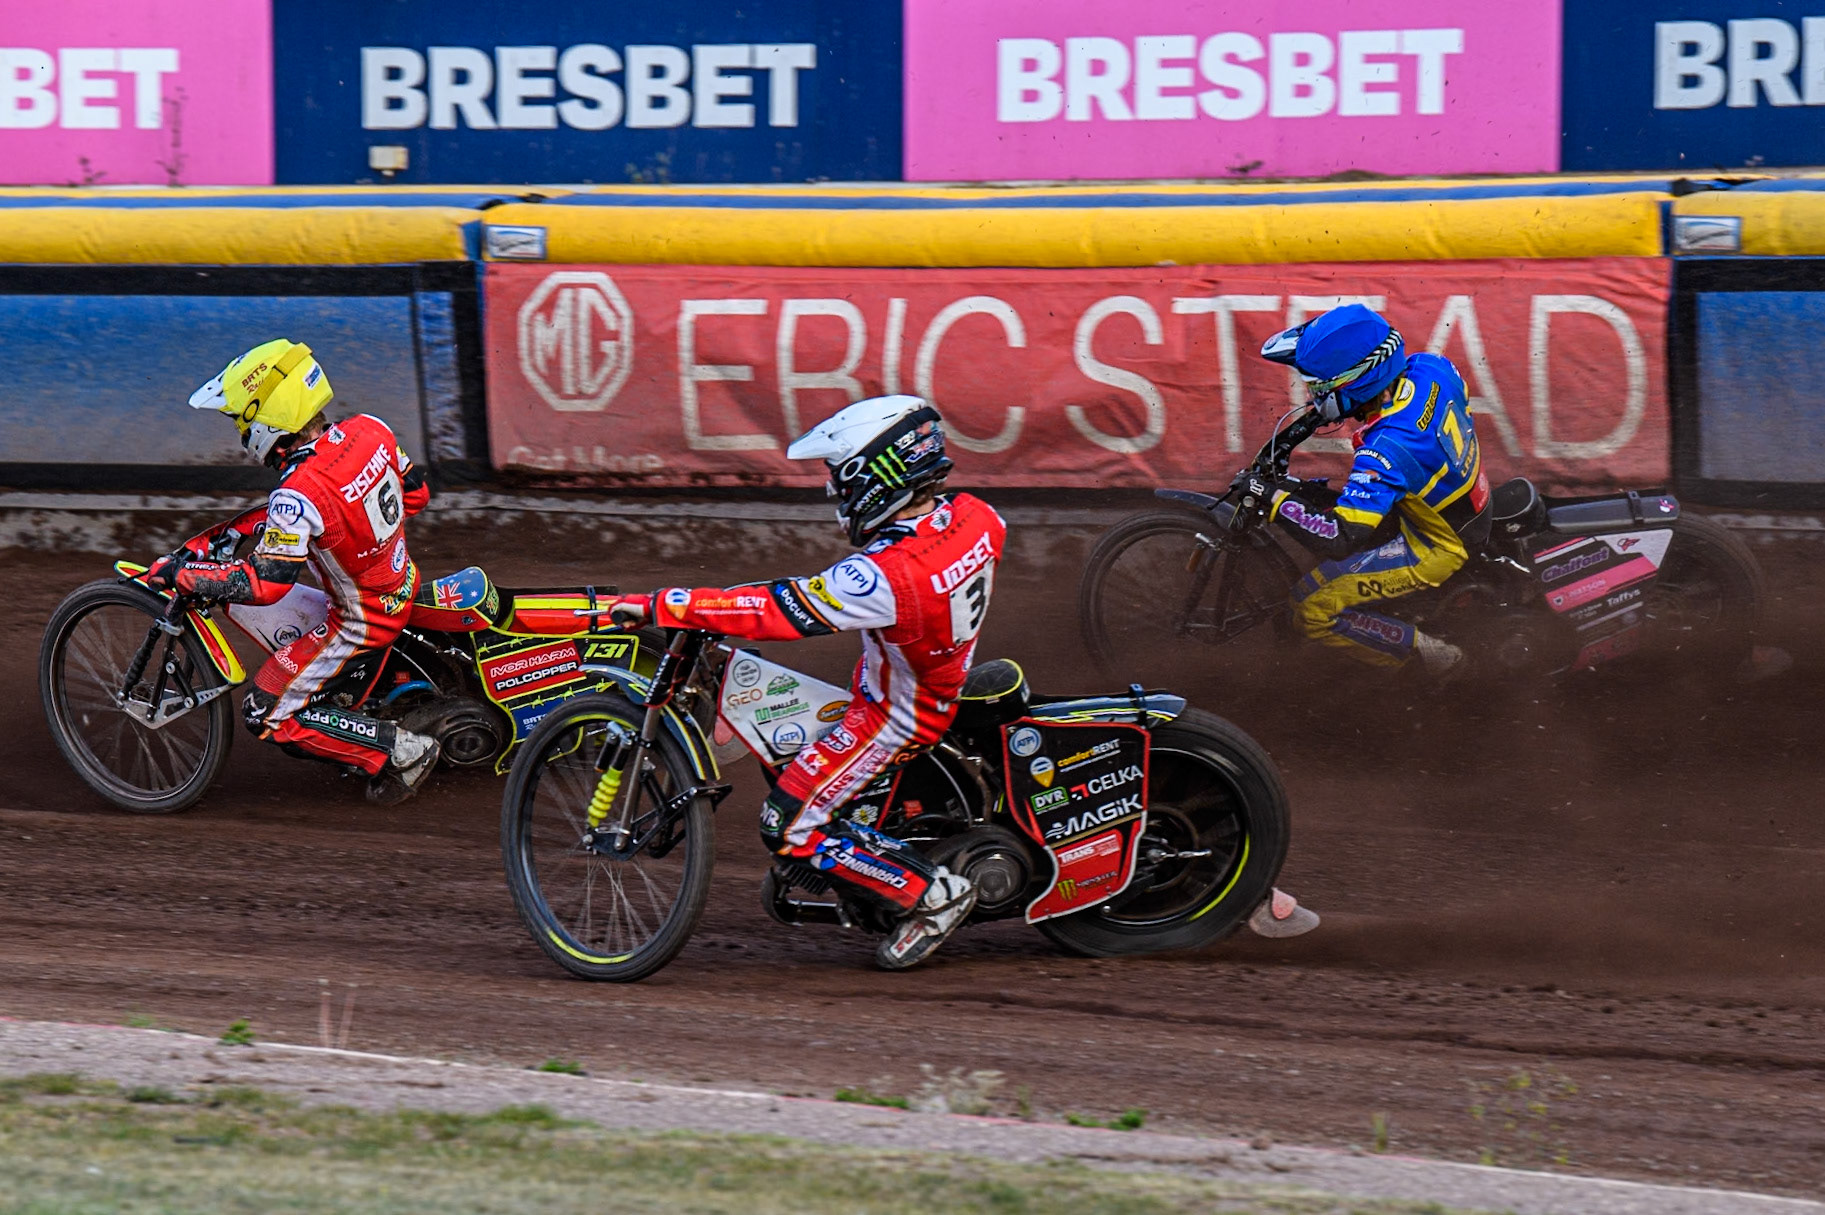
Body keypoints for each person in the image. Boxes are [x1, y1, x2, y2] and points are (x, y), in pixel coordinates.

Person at [609, 396, 1004, 970]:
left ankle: (932, 897)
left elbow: (778, 609)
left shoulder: (887, 574)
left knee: (787, 823)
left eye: (841, 476)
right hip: (933, 675)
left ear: (879, 472)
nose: (833, 492)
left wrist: (666, 603)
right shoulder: (978, 516)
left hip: (895, 717)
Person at [144, 339, 440, 804]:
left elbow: (265, 584)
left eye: (241, 420)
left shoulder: (297, 494)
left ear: (268, 417)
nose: (241, 433)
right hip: (402, 580)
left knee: (265, 713)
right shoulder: (370, 430)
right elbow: (416, 495)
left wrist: (186, 577)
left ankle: (402, 753)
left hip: (363, 621)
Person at [1245, 303, 1490, 678]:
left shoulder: (1385, 450)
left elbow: (1339, 537)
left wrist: (1273, 498)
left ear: (1355, 382)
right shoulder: (1430, 367)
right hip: (1459, 495)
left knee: (1308, 608)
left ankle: (1438, 660)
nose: (1313, 394)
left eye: (1319, 385)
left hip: (1436, 546)